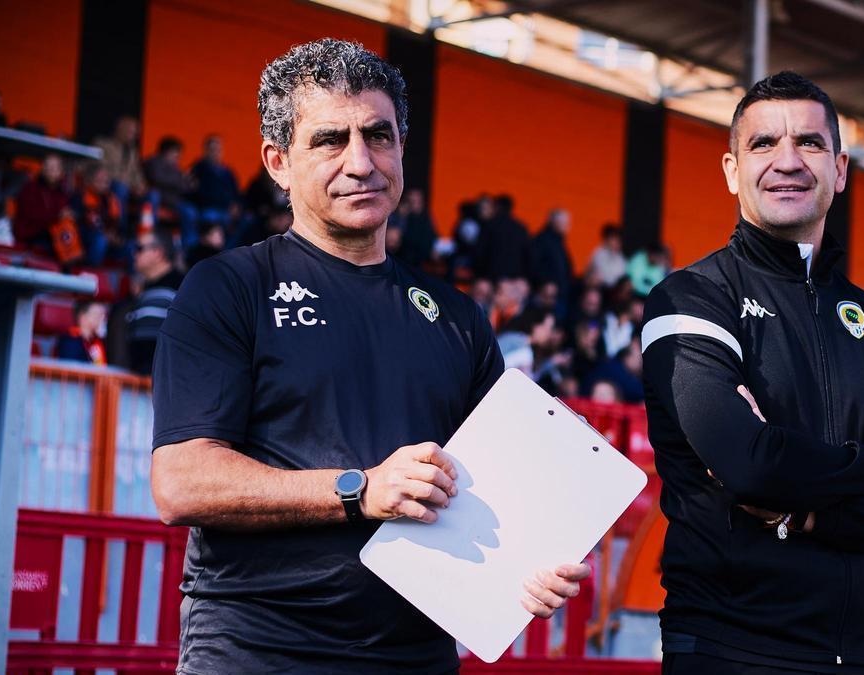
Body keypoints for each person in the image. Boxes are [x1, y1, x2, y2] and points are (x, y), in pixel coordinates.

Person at [149, 39, 588, 674]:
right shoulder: (228, 288)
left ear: (402, 148)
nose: (361, 162)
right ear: (277, 162)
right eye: (330, 140)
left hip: (416, 657)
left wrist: (541, 563)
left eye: (378, 136)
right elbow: (181, 483)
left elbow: (506, 487)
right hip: (258, 652)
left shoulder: (457, 317)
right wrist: (359, 490)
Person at [640, 72, 864, 674]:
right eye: (764, 144)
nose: (788, 161)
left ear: (839, 170)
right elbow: (748, 463)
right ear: (732, 171)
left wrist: (809, 513)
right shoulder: (690, 299)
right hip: (730, 648)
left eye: (809, 143)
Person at [127, 230, 183, 375]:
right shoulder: (144, 291)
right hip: (141, 387)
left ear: (157, 252)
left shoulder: (182, 287)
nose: (134, 254)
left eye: (139, 249)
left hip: (168, 387)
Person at [92, 116, 147, 205]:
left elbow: (136, 172)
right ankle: (118, 219)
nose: (134, 136)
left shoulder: (133, 151)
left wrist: (140, 185)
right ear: (120, 129)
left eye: (135, 133)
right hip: (109, 183)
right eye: (131, 132)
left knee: (153, 195)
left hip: (130, 186)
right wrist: (124, 180)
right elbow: (100, 167)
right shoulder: (103, 144)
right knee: (121, 188)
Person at [529, 208, 574, 316]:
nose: (568, 226)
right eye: (564, 222)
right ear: (553, 221)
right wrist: (545, 283)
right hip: (547, 296)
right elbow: (534, 265)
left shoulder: (559, 241)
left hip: (560, 294)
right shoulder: (542, 239)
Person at [56, 300, 108, 365]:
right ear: (83, 317)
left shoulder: (97, 341)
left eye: (103, 316)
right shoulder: (70, 341)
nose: (102, 320)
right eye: (97, 315)